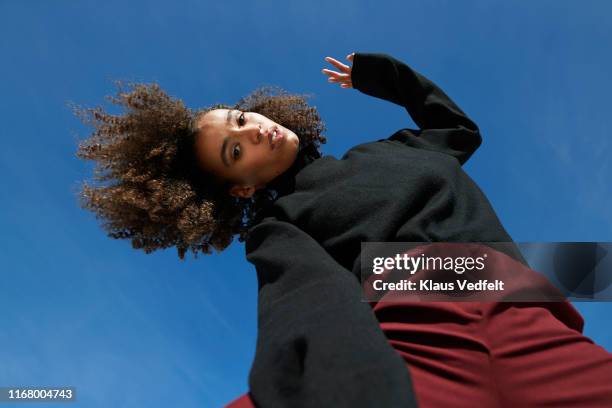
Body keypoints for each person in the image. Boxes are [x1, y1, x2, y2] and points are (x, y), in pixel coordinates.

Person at [74, 52, 612, 407]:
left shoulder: (391, 150)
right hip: (411, 337)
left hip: (523, 309)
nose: (253, 131)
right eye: (235, 151)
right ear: (239, 187)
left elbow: (457, 130)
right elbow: (304, 299)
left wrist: (379, 76)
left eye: (239, 119)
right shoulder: (279, 219)